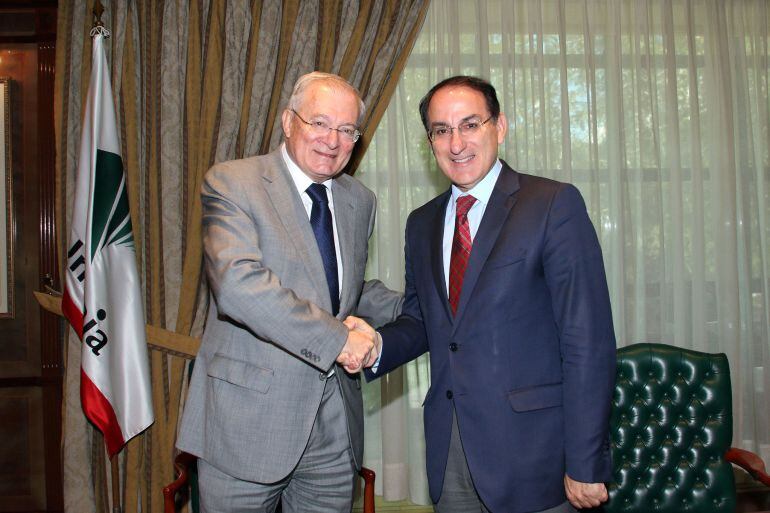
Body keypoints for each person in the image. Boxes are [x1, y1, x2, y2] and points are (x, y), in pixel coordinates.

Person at [351, 76, 616, 513]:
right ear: (429, 141)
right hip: (451, 450)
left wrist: (587, 460)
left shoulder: (553, 204)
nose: (456, 144)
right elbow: (424, 321)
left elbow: (587, 341)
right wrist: (376, 345)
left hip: (536, 455)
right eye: (441, 130)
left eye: (470, 125)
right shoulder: (421, 223)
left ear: (500, 127)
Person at [177, 71, 403, 513]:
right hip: (246, 424)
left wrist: (438, 304)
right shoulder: (233, 183)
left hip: (334, 431)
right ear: (287, 121)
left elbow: (344, 292)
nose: (332, 140)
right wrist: (341, 340)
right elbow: (240, 287)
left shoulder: (360, 200)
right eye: (319, 122)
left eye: (346, 129)